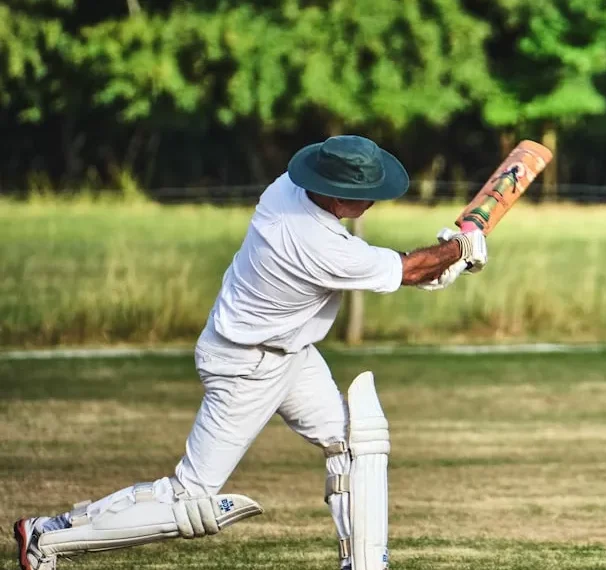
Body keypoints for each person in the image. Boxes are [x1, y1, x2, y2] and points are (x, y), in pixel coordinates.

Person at [12, 135, 488, 570]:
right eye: (367, 192)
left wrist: (448, 258)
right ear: (338, 196)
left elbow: (406, 269)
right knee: (190, 498)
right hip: (246, 366)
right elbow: (406, 270)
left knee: (355, 443)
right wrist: (458, 250)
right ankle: (47, 536)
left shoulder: (288, 188)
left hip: (290, 353)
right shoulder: (314, 243)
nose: (374, 200)